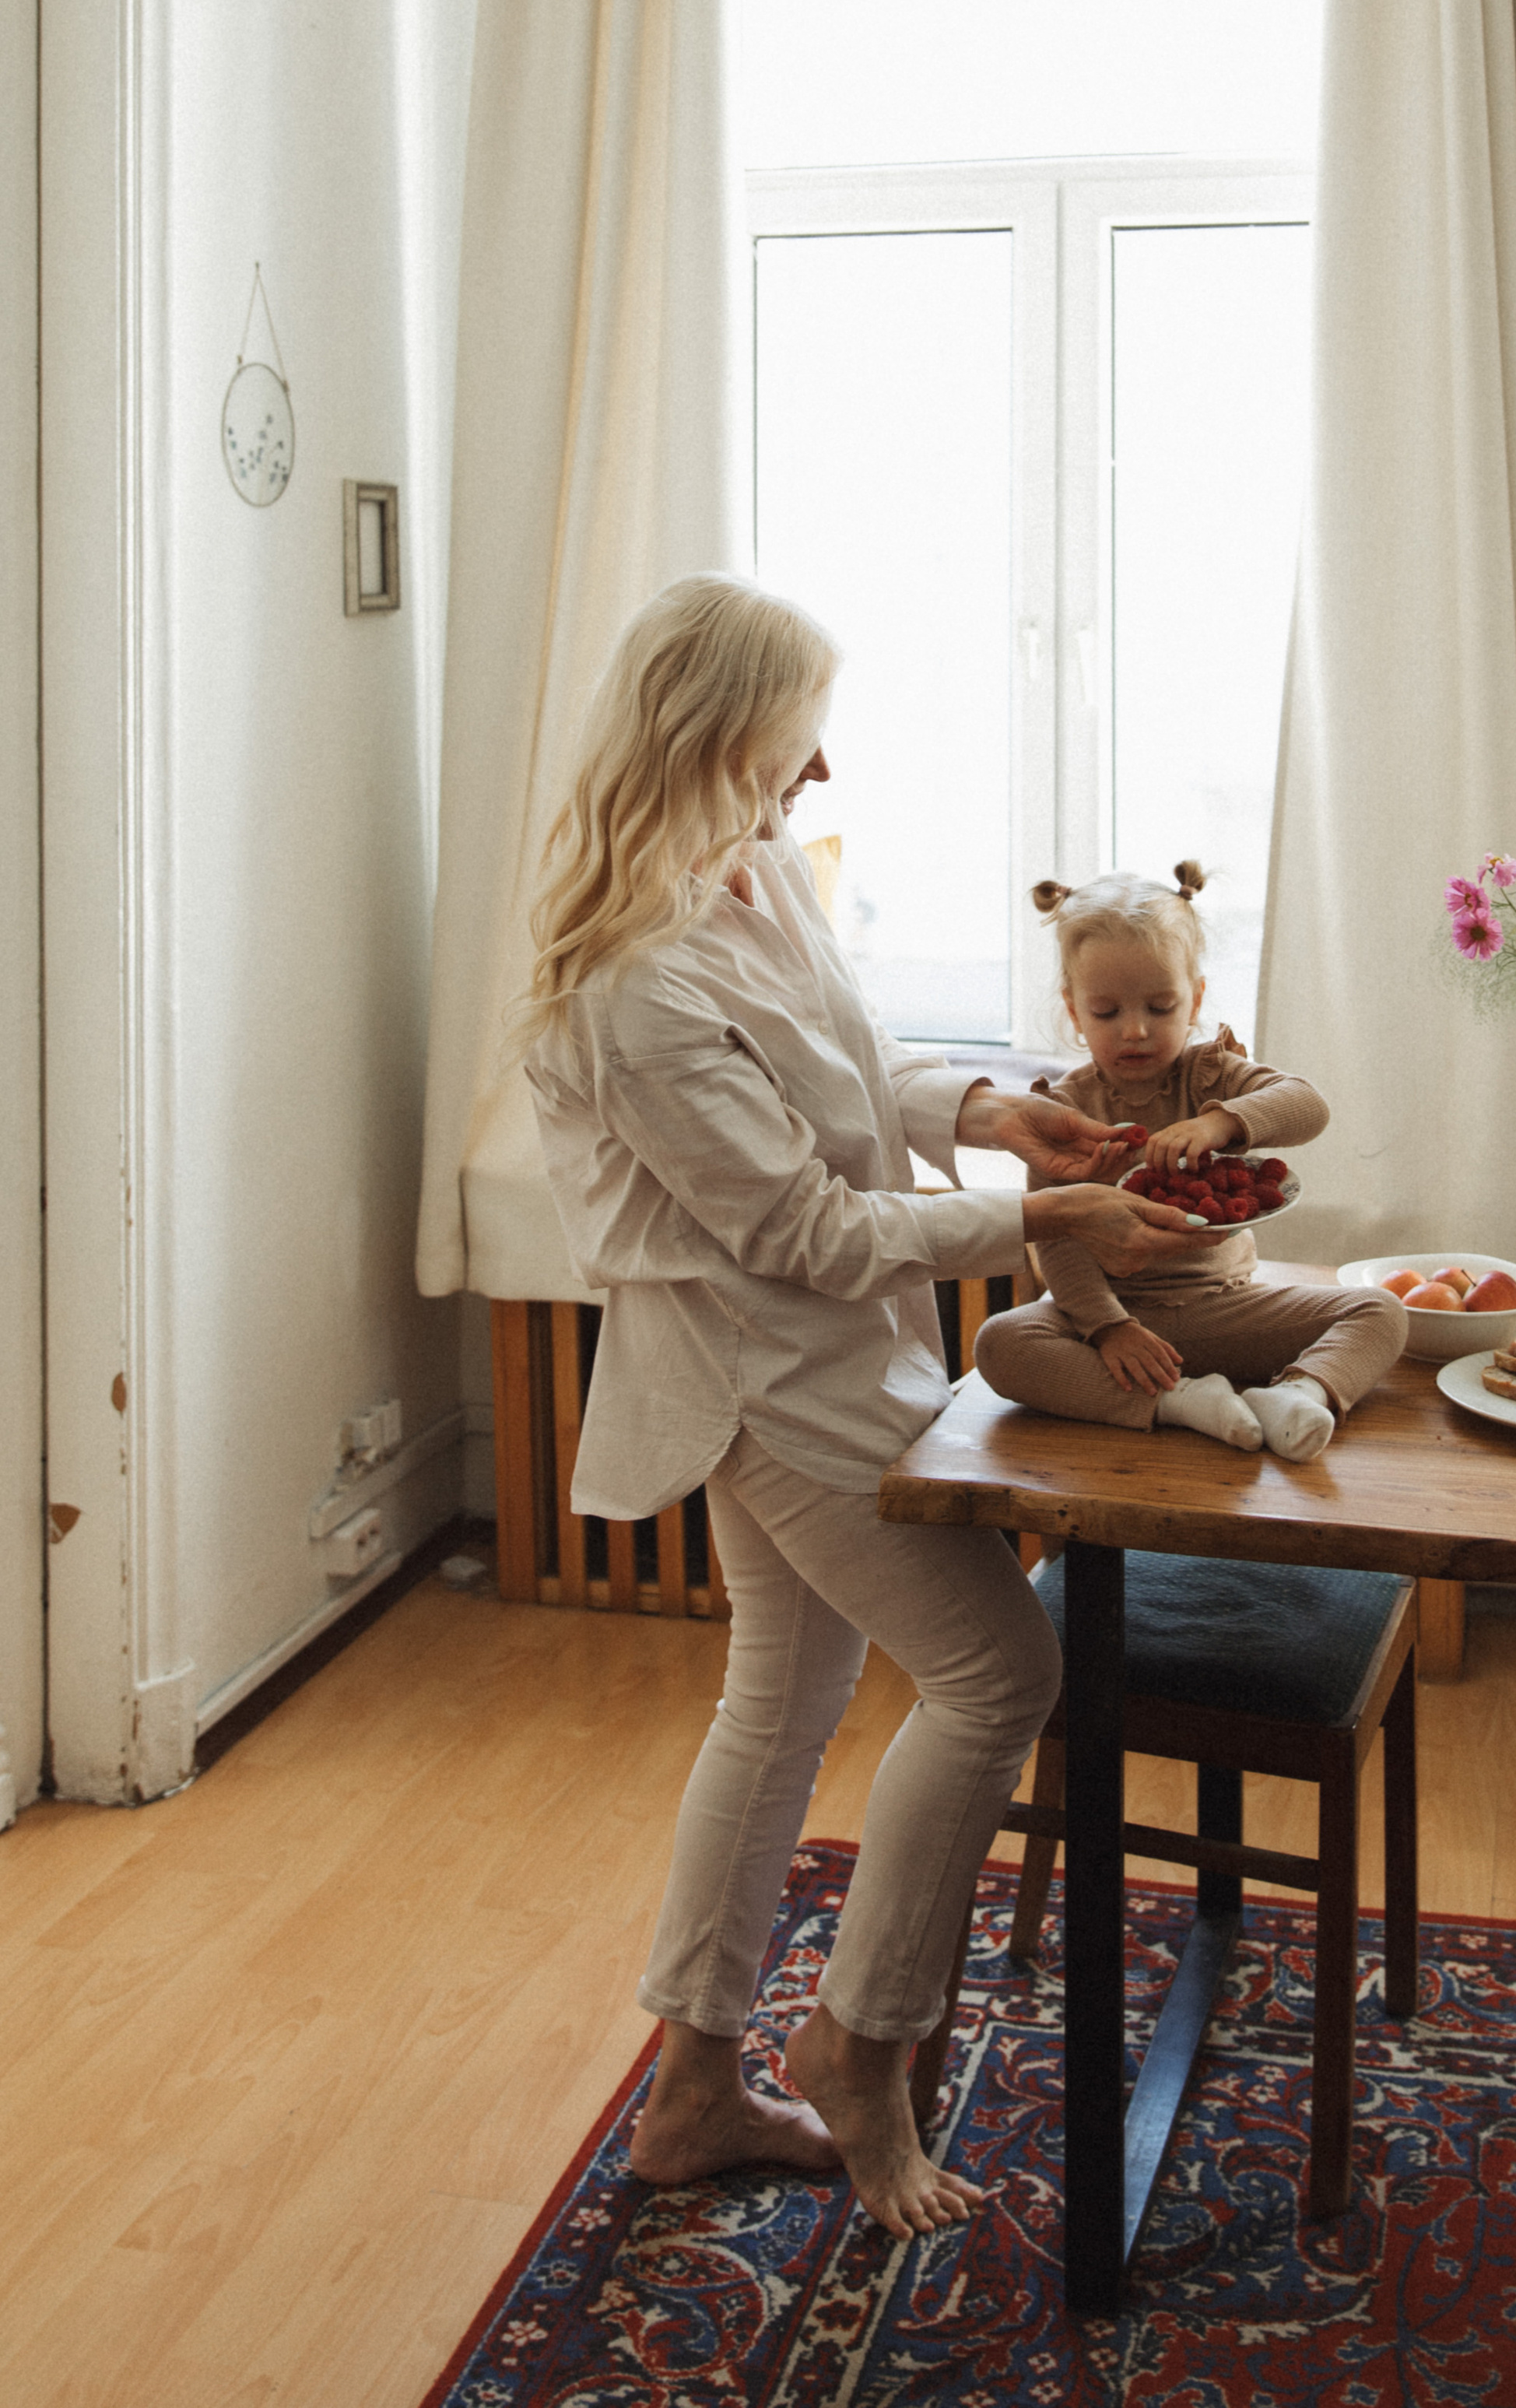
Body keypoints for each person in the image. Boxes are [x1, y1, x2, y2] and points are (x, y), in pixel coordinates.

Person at [517, 574, 1206, 2239]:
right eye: (797, 737)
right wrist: (1043, 1219)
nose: (819, 771)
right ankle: (861, 2045)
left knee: (780, 1700)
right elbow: (803, 1233)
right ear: (716, 736)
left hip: (829, 1356)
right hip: (767, 1378)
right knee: (999, 1673)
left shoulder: (748, 871)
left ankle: (693, 2092)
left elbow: (848, 1068)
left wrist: (989, 1115)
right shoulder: (631, 987)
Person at [973, 865, 1406, 1460]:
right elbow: (1058, 1244)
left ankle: (1298, 1395)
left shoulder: (1211, 1074)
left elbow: (1309, 1106)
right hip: (1114, 1318)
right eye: (1106, 1012)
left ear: (1195, 998)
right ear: (1073, 1011)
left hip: (1226, 1308)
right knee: (1001, 1342)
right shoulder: (1063, 1111)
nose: (1135, 1030)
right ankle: (1181, 1401)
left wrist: (1219, 1123)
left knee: (1381, 1311)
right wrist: (1109, 1328)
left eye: (1161, 1006)